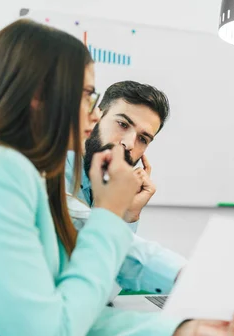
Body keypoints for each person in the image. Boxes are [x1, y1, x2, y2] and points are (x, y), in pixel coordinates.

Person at [0, 20, 234, 336]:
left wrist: (187, 330)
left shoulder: (17, 168)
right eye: (86, 96)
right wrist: (112, 215)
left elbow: (65, 312)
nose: (92, 115)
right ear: (39, 95)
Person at [65, 81, 185, 296]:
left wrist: (129, 214)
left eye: (143, 139)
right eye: (122, 124)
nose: (129, 143)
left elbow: (105, 289)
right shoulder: (53, 170)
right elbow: (87, 227)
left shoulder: (104, 184)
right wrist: (187, 276)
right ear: (95, 117)